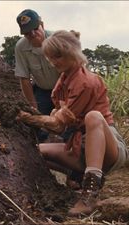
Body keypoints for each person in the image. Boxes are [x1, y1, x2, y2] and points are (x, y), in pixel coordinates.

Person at [17, 30, 128, 216]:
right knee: (36, 150)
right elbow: (60, 118)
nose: (53, 62)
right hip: (82, 148)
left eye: (57, 56)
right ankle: (78, 176)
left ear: (72, 53)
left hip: (109, 149)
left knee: (93, 117)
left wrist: (29, 117)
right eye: (50, 57)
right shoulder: (65, 78)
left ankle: (89, 193)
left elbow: (59, 125)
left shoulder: (86, 82)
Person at [14, 9, 60, 142]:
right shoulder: (20, 47)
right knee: (38, 126)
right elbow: (24, 78)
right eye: (27, 33)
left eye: (35, 29)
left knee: (67, 125)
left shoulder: (57, 40)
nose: (33, 34)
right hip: (43, 90)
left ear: (42, 25)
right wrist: (33, 106)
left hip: (64, 90)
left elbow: (69, 73)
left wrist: (62, 103)